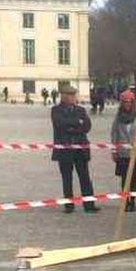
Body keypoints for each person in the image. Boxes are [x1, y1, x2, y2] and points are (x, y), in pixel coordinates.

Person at [51, 86, 100, 214]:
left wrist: (73, 126)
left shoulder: (81, 110)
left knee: (85, 177)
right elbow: (59, 124)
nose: (73, 98)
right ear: (64, 96)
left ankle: (89, 204)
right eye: (70, 95)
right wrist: (77, 123)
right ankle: (69, 205)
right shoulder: (56, 110)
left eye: (74, 95)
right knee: (67, 178)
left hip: (80, 149)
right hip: (64, 150)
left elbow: (87, 126)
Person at [111, 91, 136, 212]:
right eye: (125, 102)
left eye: (129, 102)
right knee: (124, 178)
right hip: (123, 153)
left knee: (134, 179)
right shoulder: (118, 117)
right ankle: (125, 201)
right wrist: (114, 150)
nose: (127, 104)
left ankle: (132, 201)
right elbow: (114, 133)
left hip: (135, 153)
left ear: (133, 103)